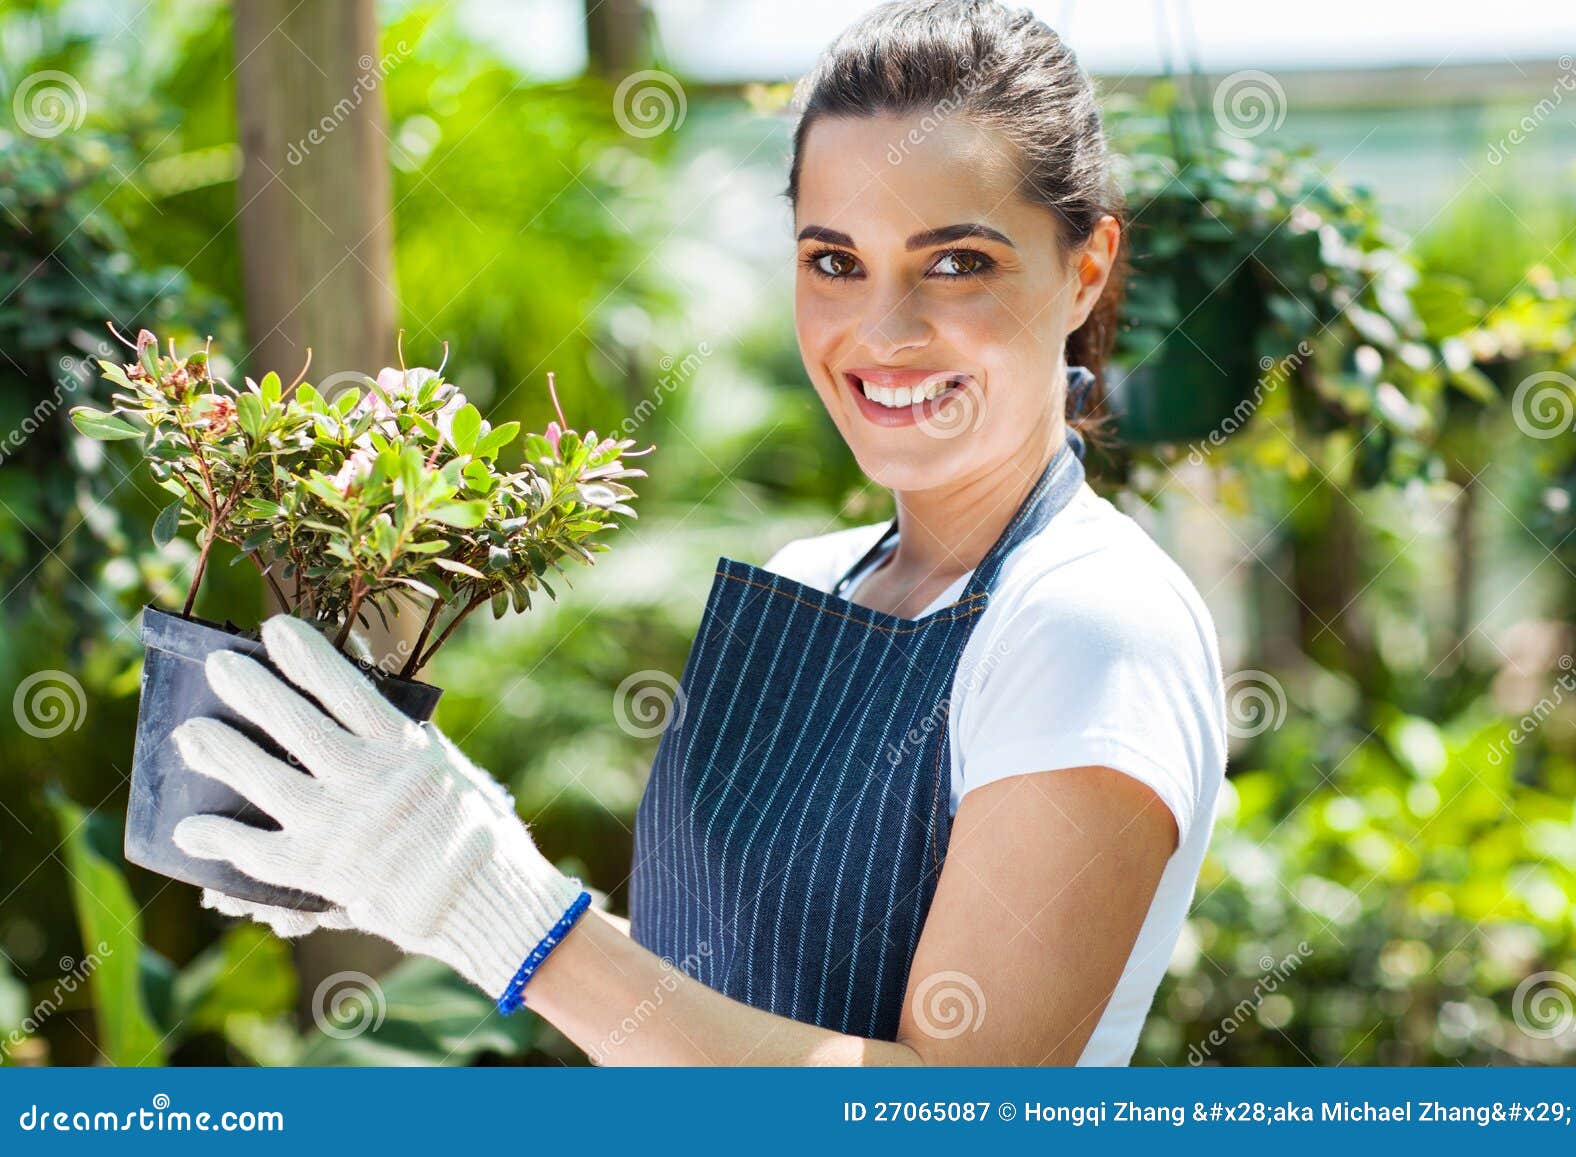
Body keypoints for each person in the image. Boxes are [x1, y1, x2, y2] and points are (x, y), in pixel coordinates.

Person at [171, 0, 1227, 1066]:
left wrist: (496, 903)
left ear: (1085, 266)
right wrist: (424, 869)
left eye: (955, 262)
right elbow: (707, 1009)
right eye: (834, 260)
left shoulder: (1090, 622)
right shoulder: (809, 577)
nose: (884, 329)